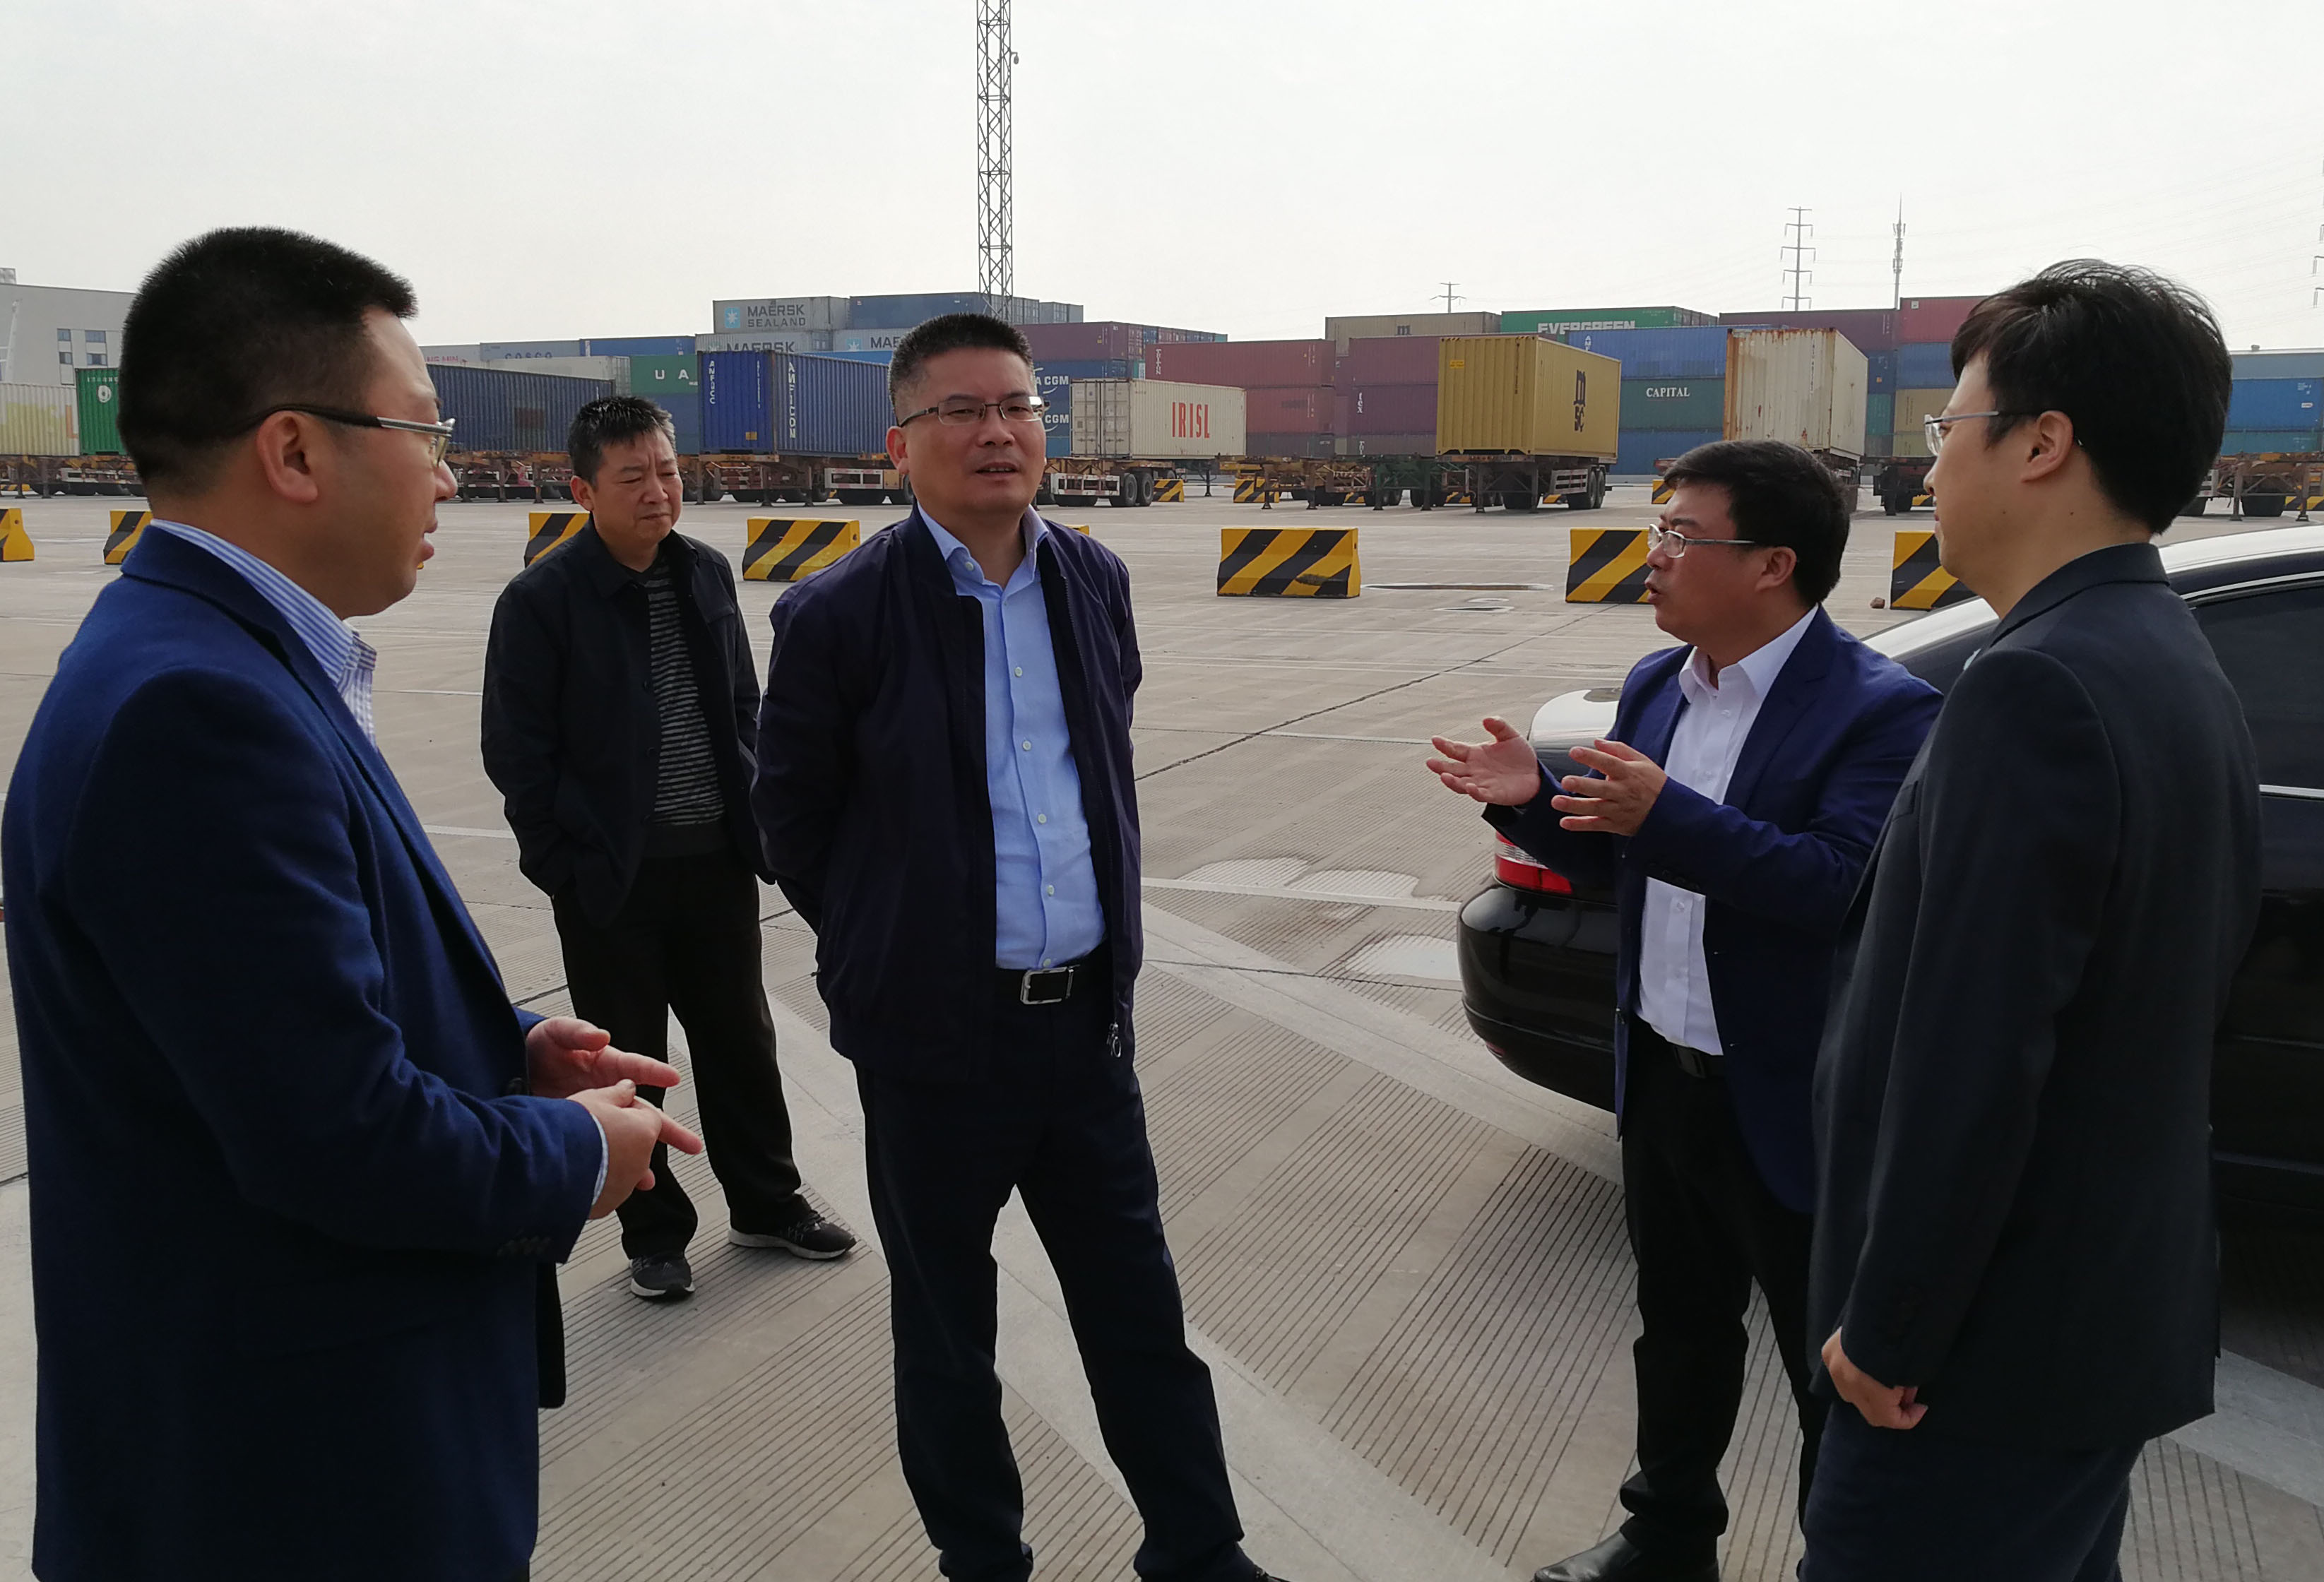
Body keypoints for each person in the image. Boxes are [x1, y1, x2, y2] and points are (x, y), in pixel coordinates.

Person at [2, 227, 702, 1581]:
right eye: (423, 431)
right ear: (294, 451)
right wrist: (576, 1153)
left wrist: (500, 1049)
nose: (447, 473)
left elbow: (259, 1027)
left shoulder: (211, 657)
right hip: (293, 1486)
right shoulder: (197, 711)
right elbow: (335, 1138)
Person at [754, 313, 1286, 1582]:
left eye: (1017, 407)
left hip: (1085, 1029)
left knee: (1139, 1312)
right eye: (961, 411)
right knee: (948, 1331)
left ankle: (1199, 1554)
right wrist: (890, 945)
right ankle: (981, 1560)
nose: (997, 433)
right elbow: (791, 822)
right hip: (933, 1041)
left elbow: (1100, 753)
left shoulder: (1092, 581)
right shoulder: (837, 613)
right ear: (900, 443)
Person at [1804, 262, 2263, 1582]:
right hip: (2085, 1329)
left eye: (1949, 426)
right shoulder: (2167, 654)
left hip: (1968, 1369)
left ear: (2041, 443)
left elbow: (1975, 1057)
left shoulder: (2037, 686)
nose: (1932, 463)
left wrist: (1888, 1331)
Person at [1426, 441, 1940, 1582]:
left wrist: (1662, 815)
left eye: (1679, 536)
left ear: (1771, 564)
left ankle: (1838, 1559)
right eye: (1656, 532)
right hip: (1664, 1075)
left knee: (1823, 1362)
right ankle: (1665, 1536)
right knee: (1679, 1328)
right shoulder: (1660, 684)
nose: (1651, 557)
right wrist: (1534, 806)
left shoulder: (1880, 713)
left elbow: (1836, 888)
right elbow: (1632, 855)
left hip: (1789, 1095)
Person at [482, 395, 854, 1300]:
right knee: (628, 1061)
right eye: (633, 477)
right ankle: (653, 1234)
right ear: (583, 490)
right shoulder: (541, 600)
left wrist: (755, 810)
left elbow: (741, 703)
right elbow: (516, 750)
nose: (658, 492)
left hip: (716, 861)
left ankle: (767, 1202)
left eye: (668, 472)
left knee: (740, 1044)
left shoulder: (705, 571)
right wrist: (561, 865)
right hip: (610, 877)